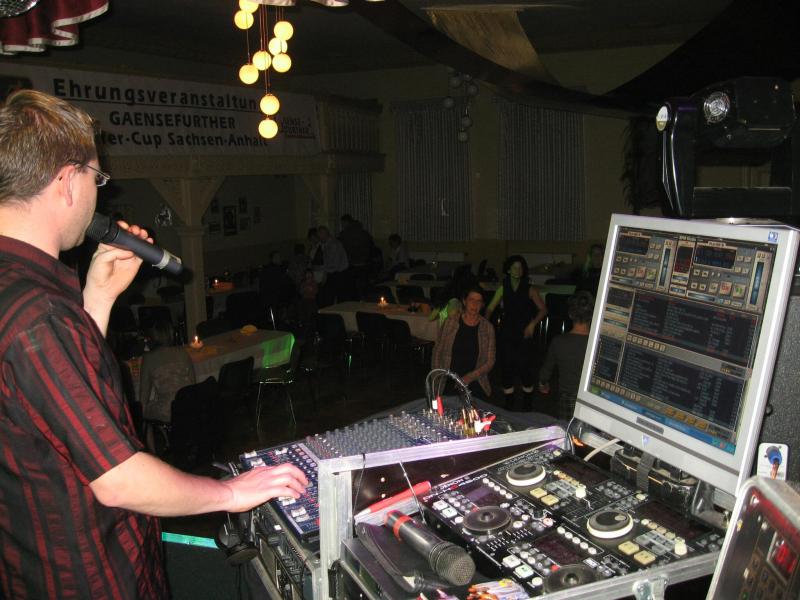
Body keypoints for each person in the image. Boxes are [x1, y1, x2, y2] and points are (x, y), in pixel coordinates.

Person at [0, 89, 308, 599]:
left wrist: (98, 297)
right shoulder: (39, 314)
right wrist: (230, 492)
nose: (99, 193)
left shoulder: (23, 295)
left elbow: (50, 408)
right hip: (88, 576)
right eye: (96, 178)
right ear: (66, 181)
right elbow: (119, 479)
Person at [486, 255, 547, 410]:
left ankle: (527, 403)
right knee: (506, 367)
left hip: (524, 332)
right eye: (515, 267)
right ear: (508, 270)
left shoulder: (529, 288)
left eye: (520, 268)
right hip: (507, 331)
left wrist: (532, 324)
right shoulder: (503, 287)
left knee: (524, 367)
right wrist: (485, 324)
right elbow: (490, 308)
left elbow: (543, 310)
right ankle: (509, 402)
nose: (518, 270)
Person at [139, 318, 196, 450]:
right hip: (188, 404)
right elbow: (193, 383)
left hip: (169, 410)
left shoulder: (148, 358)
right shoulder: (182, 352)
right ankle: (172, 440)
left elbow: (144, 394)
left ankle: (153, 453)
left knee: (145, 411)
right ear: (171, 334)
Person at [431, 286, 496, 399]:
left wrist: (469, 377)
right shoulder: (450, 322)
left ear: (482, 305)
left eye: (479, 301)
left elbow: (490, 361)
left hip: (475, 380)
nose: (475, 304)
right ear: (464, 301)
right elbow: (437, 351)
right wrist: (437, 376)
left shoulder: (487, 328)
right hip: (449, 379)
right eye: (471, 300)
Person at [539, 291, 595, 421]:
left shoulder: (559, 342)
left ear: (570, 314)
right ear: (592, 314)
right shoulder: (597, 343)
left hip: (567, 398)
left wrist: (543, 383)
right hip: (591, 398)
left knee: (567, 429)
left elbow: (546, 371)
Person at [338, 214, 373, 299]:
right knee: (363, 286)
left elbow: (342, 248)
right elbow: (371, 245)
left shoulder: (345, 234)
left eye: (342, 223)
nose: (342, 225)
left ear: (346, 222)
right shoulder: (363, 232)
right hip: (364, 263)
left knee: (352, 288)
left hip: (351, 264)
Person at [317, 225, 348, 307]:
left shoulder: (333, 245)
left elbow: (334, 264)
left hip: (338, 273)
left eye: (320, 236)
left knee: (333, 297)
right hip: (336, 272)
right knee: (334, 296)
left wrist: (325, 272)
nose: (319, 238)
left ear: (324, 234)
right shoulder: (329, 243)